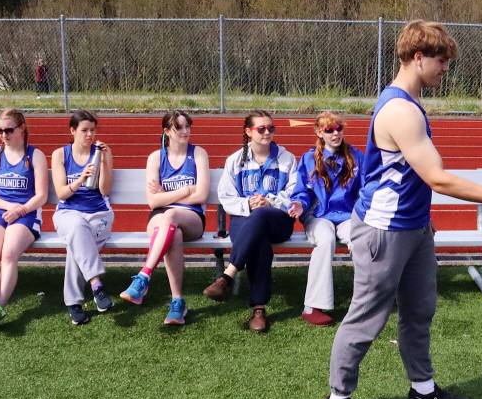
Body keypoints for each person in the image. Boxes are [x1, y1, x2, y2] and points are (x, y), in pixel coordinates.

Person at [322, 20, 482, 399]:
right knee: (366, 317)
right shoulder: (400, 110)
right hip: (383, 232)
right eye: (442, 60)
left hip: (413, 228)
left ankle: (422, 390)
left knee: (420, 310)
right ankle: (337, 398)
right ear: (418, 57)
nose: (446, 68)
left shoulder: (411, 101)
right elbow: (438, 178)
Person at [203, 110, 297, 333]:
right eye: (261, 129)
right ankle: (259, 308)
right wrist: (248, 205)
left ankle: (228, 275)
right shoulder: (235, 160)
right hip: (244, 219)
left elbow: (294, 194)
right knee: (259, 239)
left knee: (262, 216)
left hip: (278, 220)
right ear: (248, 132)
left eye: (271, 128)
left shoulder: (286, 158)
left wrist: (269, 202)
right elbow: (226, 197)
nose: (267, 132)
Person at [120, 110, 210, 326]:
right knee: (174, 233)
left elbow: (202, 195)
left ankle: (144, 275)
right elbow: (152, 202)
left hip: (192, 218)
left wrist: (165, 197)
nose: (185, 131)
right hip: (160, 219)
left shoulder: (198, 154)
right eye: (179, 127)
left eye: (188, 126)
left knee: (170, 215)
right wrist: (185, 190)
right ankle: (177, 303)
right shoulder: (155, 158)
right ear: (167, 131)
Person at [287, 112, 363, 326]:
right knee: (326, 239)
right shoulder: (309, 158)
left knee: (361, 239)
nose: (335, 133)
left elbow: (367, 188)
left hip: (348, 214)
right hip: (318, 216)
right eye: (329, 130)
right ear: (319, 132)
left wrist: (362, 213)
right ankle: (313, 306)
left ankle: (369, 300)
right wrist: (299, 204)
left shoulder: (356, 156)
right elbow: (302, 191)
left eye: (339, 128)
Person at [0, 108, 48, 327]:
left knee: (8, 254)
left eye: (8, 129)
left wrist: (20, 210)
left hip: (27, 214)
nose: (3, 134)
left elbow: (41, 196)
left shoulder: (34, 155)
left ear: (22, 128)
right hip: (0, 211)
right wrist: (9, 206)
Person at [51, 110, 115, 326]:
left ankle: (74, 304)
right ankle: (96, 284)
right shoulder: (60, 154)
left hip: (99, 213)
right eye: (84, 130)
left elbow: (105, 190)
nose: (90, 135)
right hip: (68, 213)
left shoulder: (102, 152)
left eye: (92, 130)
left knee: (75, 244)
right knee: (77, 227)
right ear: (72, 131)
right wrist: (80, 178)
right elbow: (61, 194)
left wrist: (104, 161)